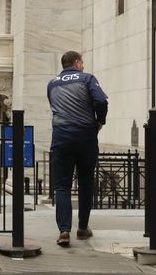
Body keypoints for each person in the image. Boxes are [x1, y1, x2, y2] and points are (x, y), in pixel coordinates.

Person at [47, 50, 108, 247]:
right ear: (76, 63)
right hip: (85, 135)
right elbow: (100, 101)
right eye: (82, 62)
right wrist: (100, 121)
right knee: (85, 181)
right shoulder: (87, 78)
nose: (83, 65)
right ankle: (82, 228)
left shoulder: (52, 84)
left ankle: (64, 230)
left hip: (61, 136)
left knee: (62, 185)